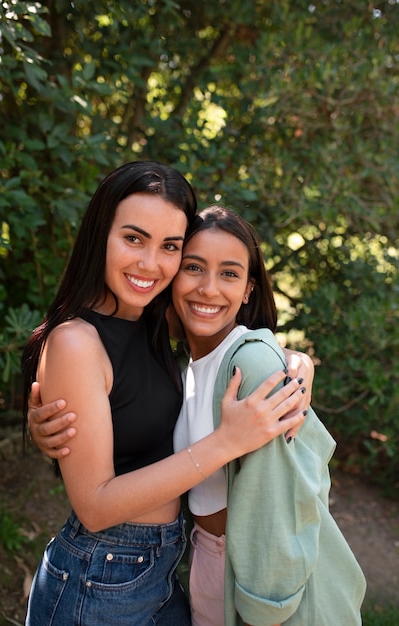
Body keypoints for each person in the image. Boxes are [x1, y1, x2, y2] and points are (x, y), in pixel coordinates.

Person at [21, 162, 309, 626]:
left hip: (159, 570)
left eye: (170, 247)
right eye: (133, 238)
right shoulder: (76, 342)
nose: (150, 263)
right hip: (99, 579)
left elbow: (220, 325)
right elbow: (94, 507)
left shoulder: (153, 317)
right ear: (101, 235)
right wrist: (225, 444)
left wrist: (296, 363)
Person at [170, 206, 366, 625]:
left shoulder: (252, 366)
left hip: (260, 581)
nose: (208, 288)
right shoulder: (184, 363)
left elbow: (281, 498)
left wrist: (265, 605)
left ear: (247, 290)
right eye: (193, 267)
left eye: (229, 273)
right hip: (208, 560)